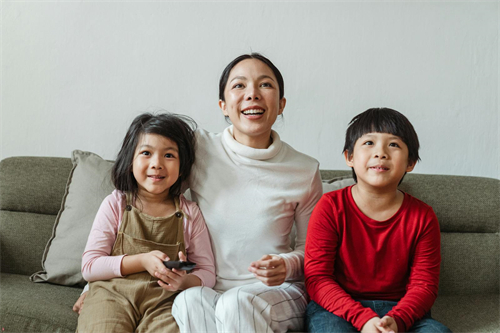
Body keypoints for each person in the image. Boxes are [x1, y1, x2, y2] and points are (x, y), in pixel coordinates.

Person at [74, 53, 322, 332]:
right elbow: (147, 196)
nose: (252, 94)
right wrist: (95, 286)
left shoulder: (304, 170)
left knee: (237, 303)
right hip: (210, 288)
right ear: (223, 106)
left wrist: (286, 265)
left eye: (265, 85)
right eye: (239, 86)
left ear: (281, 105)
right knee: (186, 302)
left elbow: (314, 253)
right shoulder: (199, 149)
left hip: (277, 290)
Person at [304, 108, 452, 333]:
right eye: (369, 143)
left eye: (393, 145)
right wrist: (362, 318)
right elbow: (317, 277)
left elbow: (424, 286)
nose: (380, 153)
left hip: (400, 310)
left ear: (410, 162)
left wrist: (397, 319)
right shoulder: (330, 207)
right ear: (349, 157)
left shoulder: (423, 216)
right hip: (337, 308)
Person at [76, 113, 216, 333]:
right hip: (111, 295)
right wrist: (142, 261)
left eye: (169, 155)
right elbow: (90, 266)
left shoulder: (190, 213)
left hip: (166, 302)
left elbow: (208, 273)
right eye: (146, 153)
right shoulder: (116, 203)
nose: (157, 164)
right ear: (130, 160)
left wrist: (184, 281)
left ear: (182, 167)